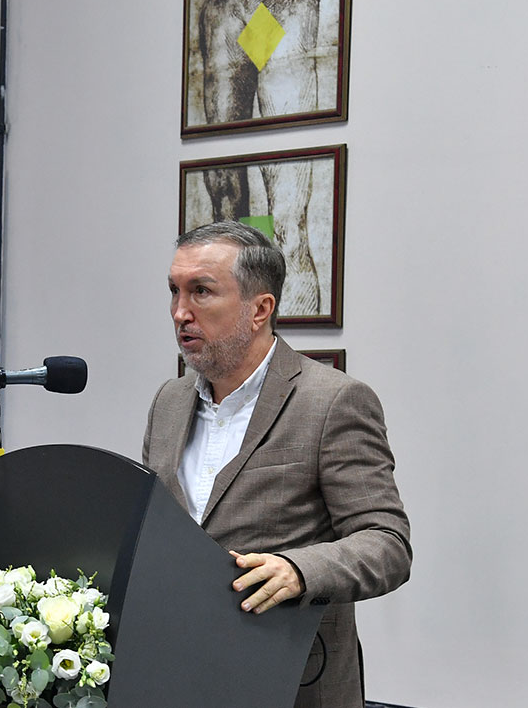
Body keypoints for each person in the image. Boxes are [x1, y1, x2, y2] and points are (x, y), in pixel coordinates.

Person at [142, 220, 411, 707]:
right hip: (181, 676)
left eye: (201, 291)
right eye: (174, 291)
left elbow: (386, 544)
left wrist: (299, 569)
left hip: (293, 680)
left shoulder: (332, 401)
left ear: (260, 309)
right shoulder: (169, 402)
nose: (180, 312)